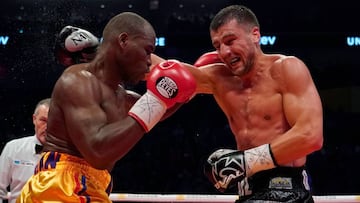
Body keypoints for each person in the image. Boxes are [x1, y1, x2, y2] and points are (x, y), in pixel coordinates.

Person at [16, 12, 196, 203]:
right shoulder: (77, 80)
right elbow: (98, 152)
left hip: (93, 186)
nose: (150, 61)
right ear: (124, 40)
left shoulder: (123, 98)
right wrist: (156, 99)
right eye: (147, 50)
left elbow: (158, 109)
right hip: (58, 187)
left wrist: (185, 92)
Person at [153, 4, 323, 202]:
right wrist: (125, 45)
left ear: (255, 35)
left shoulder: (287, 69)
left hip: (286, 192)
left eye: (230, 41)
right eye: (217, 46)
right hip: (246, 192)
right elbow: (165, 71)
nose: (224, 51)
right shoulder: (219, 79)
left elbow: (310, 136)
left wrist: (244, 161)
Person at [0, 98, 51, 203]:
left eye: (52, 122)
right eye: (43, 120)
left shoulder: (68, 154)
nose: (47, 127)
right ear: (34, 119)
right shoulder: (13, 148)